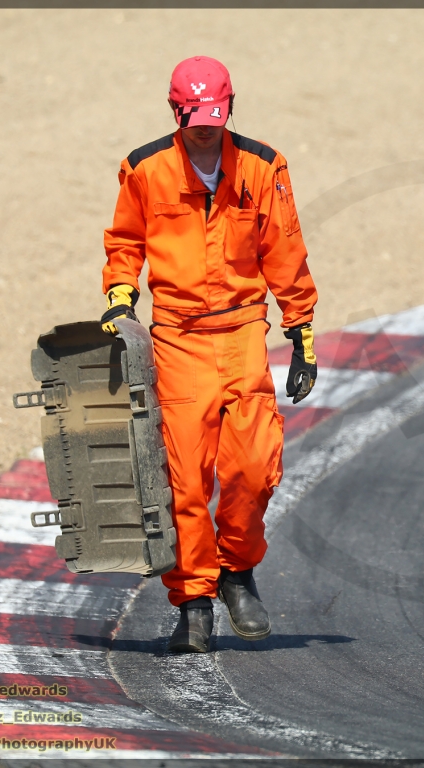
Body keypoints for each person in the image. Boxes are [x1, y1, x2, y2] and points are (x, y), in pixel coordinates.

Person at [102, 56, 319, 653]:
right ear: (175, 112)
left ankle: (238, 570)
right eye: (195, 119)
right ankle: (193, 602)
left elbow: (285, 249)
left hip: (244, 332)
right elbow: (124, 242)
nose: (206, 128)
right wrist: (121, 300)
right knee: (184, 483)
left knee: (253, 467)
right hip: (176, 338)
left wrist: (300, 333)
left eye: (215, 117)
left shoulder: (263, 165)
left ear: (230, 109)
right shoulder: (143, 168)